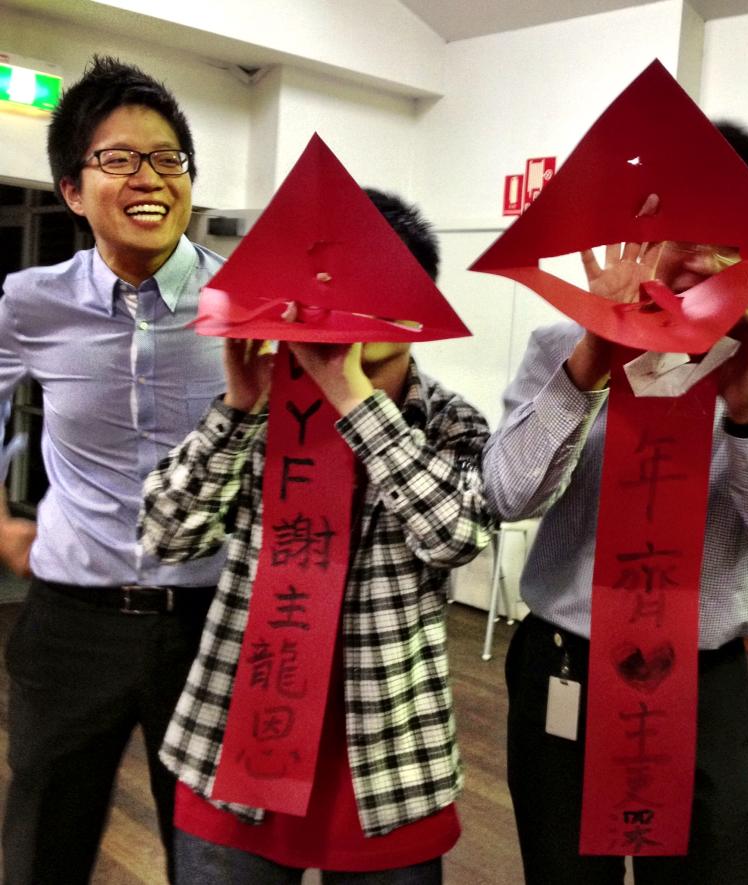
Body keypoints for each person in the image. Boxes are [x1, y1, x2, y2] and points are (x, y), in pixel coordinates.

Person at [482, 123, 748, 885]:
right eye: (682, 233)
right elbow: (506, 496)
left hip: (702, 683)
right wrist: (591, 358)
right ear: (639, 231)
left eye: (731, 244)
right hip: (566, 667)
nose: (702, 263)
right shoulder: (560, 346)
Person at [138, 188, 495, 884]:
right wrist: (239, 407)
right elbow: (166, 535)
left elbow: (455, 537)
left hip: (386, 760)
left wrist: (354, 398)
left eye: (375, 288)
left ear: (417, 307)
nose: (345, 309)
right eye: (329, 287)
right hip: (238, 747)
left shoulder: (451, 422)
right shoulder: (262, 403)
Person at [0, 55, 226, 884]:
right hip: (72, 621)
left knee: (215, 861)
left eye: (168, 158)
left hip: (213, 622)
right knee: (41, 853)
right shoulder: (31, 300)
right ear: (71, 189)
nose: (150, 178)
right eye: (120, 158)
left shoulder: (248, 302)